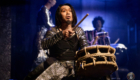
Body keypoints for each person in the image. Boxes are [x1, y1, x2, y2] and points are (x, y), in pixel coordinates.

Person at [25, 3, 88, 80]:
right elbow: (44, 45)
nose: (68, 13)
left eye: (70, 11)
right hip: (55, 64)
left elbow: (85, 50)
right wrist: (61, 34)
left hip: (73, 66)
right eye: (64, 11)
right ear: (59, 16)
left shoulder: (79, 30)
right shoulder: (53, 30)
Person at [31, 0, 56, 71]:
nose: (55, 1)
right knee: (39, 57)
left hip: (46, 36)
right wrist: (58, 29)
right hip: (42, 36)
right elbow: (48, 24)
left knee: (45, 57)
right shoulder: (44, 9)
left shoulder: (47, 11)